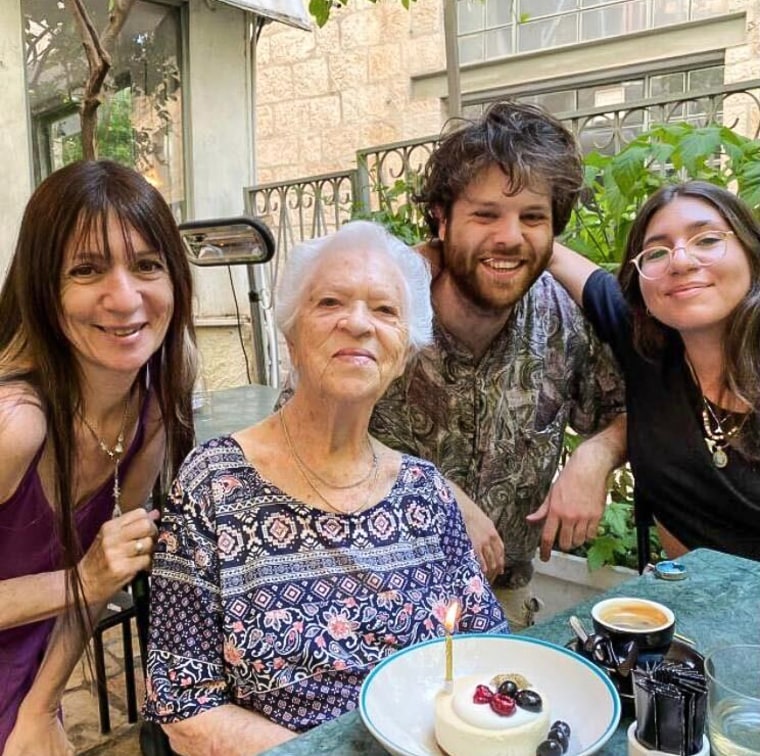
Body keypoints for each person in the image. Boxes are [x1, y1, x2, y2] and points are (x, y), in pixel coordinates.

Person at [143, 220, 507, 756]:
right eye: (331, 302)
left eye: (385, 310)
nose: (358, 324)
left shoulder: (426, 492)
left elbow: (484, 651)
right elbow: (183, 707)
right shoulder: (212, 485)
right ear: (291, 338)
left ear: (404, 352)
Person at [369, 101, 627, 630]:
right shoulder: (380, 312)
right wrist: (436, 493)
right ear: (442, 220)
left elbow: (643, 405)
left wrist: (596, 455)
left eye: (532, 217)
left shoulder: (566, 318)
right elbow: (301, 432)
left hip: (503, 595)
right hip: (375, 590)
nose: (509, 236)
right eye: (485, 214)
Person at [0, 159, 197, 755]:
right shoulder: (15, 424)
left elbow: (101, 581)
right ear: (44, 288)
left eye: (146, 265)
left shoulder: (154, 406)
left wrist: (39, 709)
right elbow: (90, 577)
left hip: (29, 671)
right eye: (86, 269)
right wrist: (81, 577)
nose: (124, 297)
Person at [549, 181, 760, 561]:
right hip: (684, 607)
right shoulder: (645, 346)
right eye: (656, 252)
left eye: (707, 240)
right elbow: (543, 250)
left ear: (751, 252)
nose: (680, 261)